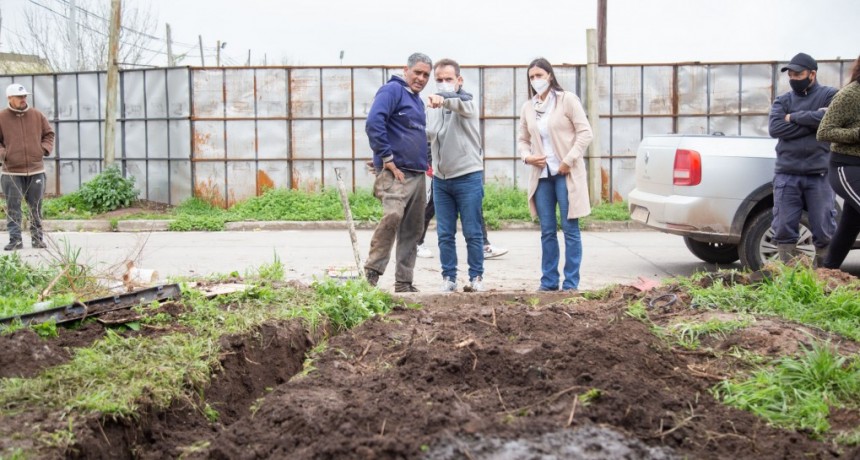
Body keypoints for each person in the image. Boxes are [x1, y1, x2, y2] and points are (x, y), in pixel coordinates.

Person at [517, 58, 593, 291]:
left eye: (539, 75)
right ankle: (549, 282)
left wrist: (568, 161)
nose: (535, 80)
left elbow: (585, 133)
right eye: (531, 77)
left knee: (570, 229)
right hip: (542, 176)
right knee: (547, 230)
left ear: (550, 75)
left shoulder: (566, 100)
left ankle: (571, 284)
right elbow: (522, 140)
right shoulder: (528, 107)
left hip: (565, 173)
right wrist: (527, 156)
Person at [363, 53, 432, 293]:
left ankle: (404, 282)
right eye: (418, 72)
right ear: (406, 70)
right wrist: (386, 158)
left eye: (426, 75)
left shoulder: (417, 101)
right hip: (397, 173)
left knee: (413, 229)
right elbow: (374, 123)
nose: (421, 78)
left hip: (417, 173)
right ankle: (371, 274)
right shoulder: (391, 91)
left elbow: (417, 136)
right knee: (392, 218)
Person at [768, 52, 838, 266]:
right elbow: (776, 128)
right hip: (787, 175)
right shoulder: (782, 100)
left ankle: (824, 277)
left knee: (824, 229)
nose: (793, 78)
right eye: (790, 74)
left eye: (798, 74)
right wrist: (813, 123)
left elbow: (829, 120)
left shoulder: (830, 95)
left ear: (812, 74)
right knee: (783, 228)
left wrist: (795, 117)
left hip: (820, 175)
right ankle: (789, 279)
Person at [425, 58, 485, 292]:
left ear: (459, 80)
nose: (443, 84)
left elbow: (460, 103)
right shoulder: (433, 108)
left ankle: (476, 277)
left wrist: (447, 99)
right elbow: (430, 135)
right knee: (444, 233)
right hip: (441, 179)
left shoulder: (467, 104)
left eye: (448, 79)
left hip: (467, 176)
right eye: (439, 80)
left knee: (472, 231)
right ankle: (448, 278)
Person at [818, 55, 860, 270]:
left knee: (850, 225)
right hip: (846, 167)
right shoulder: (850, 95)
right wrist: (857, 134)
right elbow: (824, 131)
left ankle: (827, 272)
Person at [1, 83, 54, 251]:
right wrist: (4, 154)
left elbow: (49, 134)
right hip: (11, 171)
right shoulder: (1, 117)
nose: (23, 99)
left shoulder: (37, 115)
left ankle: (37, 239)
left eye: (25, 96)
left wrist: (43, 150)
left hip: (36, 170)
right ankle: (15, 240)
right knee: (13, 207)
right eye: (19, 97)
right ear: (10, 98)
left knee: (36, 207)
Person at [416, 188, 508, 260]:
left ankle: (483, 245)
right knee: (430, 208)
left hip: (464, 174)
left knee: (475, 205)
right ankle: (415, 243)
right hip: (443, 175)